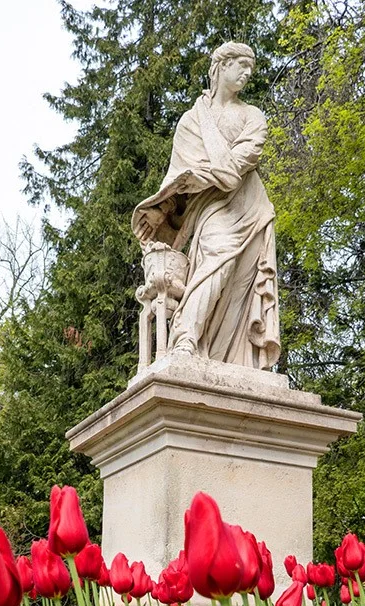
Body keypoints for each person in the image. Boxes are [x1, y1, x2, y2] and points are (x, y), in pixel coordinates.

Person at [132, 42, 280, 370]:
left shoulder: (253, 116)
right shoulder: (192, 122)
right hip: (210, 211)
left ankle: (235, 360)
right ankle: (185, 337)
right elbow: (179, 180)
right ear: (220, 66)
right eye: (240, 64)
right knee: (216, 263)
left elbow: (233, 171)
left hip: (250, 207)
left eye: (250, 68)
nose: (247, 73)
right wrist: (164, 209)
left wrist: (201, 175)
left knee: (239, 287)